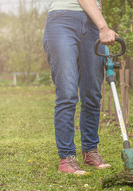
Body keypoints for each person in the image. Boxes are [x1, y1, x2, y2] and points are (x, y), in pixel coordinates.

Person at [43, 0, 118, 175]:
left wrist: (99, 22)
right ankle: (67, 157)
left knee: (92, 93)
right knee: (67, 93)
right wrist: (104, 27)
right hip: (62, 20)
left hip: (93, 23)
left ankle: (90, 151)